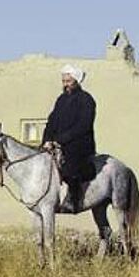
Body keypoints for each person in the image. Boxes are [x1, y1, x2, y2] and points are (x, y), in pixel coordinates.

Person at [42, 64, 97, 212]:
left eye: (68, 81)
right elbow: (51, 120)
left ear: (76, 81)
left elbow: (83, 126)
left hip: (79, 144)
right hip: (58, 143)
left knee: (70, 166)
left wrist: (61, 139)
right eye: (63, 81)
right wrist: (47, 139)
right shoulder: (61, 99)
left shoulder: (86, 100)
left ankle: (73, 199)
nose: (65, 84)